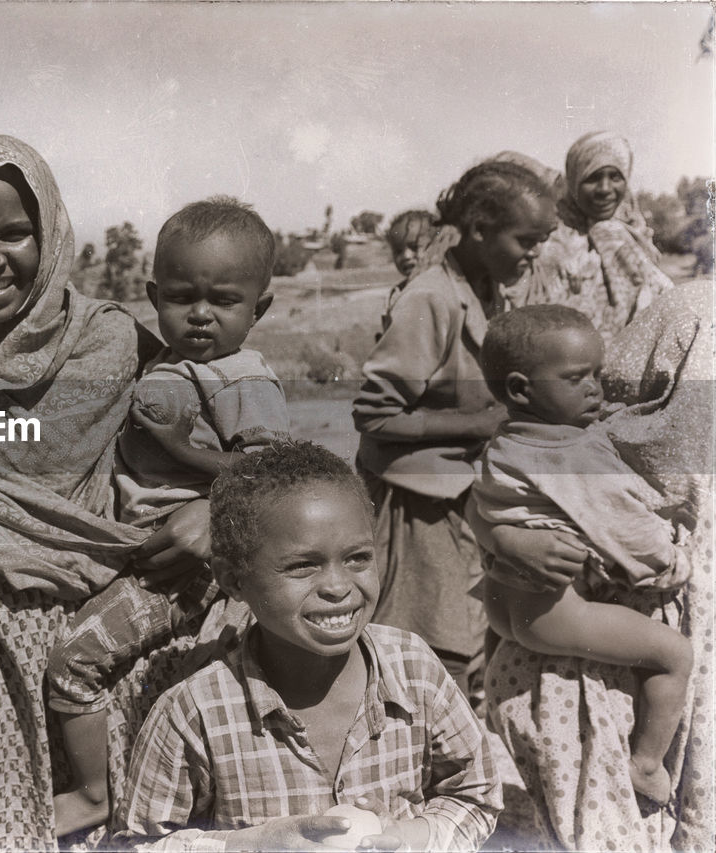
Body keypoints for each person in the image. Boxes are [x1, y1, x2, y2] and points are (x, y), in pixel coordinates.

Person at [0, 134, 208, 848]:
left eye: (13, 232)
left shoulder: (107, 342)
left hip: (95, 645)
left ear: (49, 231)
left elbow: (35, 463)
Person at [113, 440, 502, 851]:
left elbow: (476, 793)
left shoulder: (412, 667)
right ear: (233, 581)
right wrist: (253, 844)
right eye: (302, 566)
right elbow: (138, 844)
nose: (338, 587)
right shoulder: (195, 712)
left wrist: (415, 836)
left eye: (357, 558)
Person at [47, 196, 293, 835]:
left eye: (224, 301)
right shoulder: (165, 360)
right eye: (183, 297)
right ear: (154, 295)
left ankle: (93, 794)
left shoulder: (241, 380)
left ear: (258, 309)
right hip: (147, 553)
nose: (202, 315)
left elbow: (269, 477)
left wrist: (181, 448)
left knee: (73, 660)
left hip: (188, 571)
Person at [480, 281, 713, 850]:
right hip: (555, 612)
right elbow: (634, 539)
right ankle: (648, 762)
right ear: (520, 388)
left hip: (504, 607)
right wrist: (674, 563)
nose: (597, 388)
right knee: (671, 655)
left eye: (597, 373)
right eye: (578, 377)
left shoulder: (511, 440)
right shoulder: (575, 454)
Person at [352, 160, 559, 697]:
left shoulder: (487, 291)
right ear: (479, 229)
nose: (534, 253)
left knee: (465, 634)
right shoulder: (431, 298)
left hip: (459, 492)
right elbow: (374, 413)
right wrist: (476, 422)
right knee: (426, 644)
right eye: (526, 239)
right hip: (416, 499)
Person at [538, 130, 674, 339]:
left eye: (615, 177)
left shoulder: (632, 231)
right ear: (574, 181)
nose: (605, 189)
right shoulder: (547, 239)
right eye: (592, 178)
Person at [378, 209, 436, 335]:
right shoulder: (395, 295)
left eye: (415, 247)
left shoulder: (441, 290)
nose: (406, 256)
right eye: (398, 251)